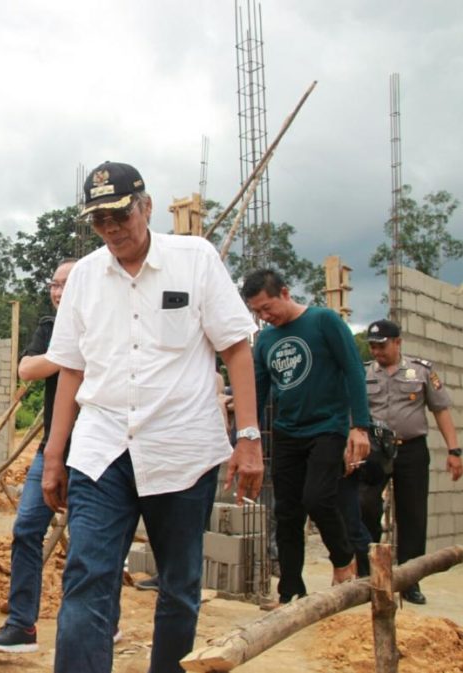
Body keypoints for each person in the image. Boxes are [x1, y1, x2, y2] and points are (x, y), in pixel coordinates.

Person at [41, 160, 263, 673]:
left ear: (146, 206)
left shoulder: (196, 259)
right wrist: (56, 454)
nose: (112, 228)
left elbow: (235, 347)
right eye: (99, 220)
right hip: (103, 451)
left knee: (179, 587)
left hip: (182, 451)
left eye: (121, 213)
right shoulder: (84, 279)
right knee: (88, 576)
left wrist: (248, 435)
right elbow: (70, 370)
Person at [241, 268, 371, 606]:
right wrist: (247, 434)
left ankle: (343, 559)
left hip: (327, 427)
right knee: (287, 513)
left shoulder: (324, 321)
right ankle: (290, 591)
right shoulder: (266, 341)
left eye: (268, 307)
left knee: (317, 497)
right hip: (287, 433)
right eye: (257, 312)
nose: (265, 316)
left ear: (285, 292)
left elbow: (354, 369)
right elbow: (257, 390)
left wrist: (360, 425)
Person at [0, 258, 76, 653]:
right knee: (26, 530)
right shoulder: (50, 328)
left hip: (96, 451)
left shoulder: (108, 324)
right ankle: (22, 626)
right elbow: (27, 369)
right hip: (50, 450)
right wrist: (68, 356)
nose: (57, 291)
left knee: (91, 544)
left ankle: (101, 623)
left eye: (66, 284)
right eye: (54, 284)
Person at [360, 318, 462, 604]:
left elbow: (440, 410)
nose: (377, 352)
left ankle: (409, 580)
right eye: (373, 347)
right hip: (376, 450)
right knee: (365, 503)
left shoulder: (421, 371)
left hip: (411, 450)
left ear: (397, 342)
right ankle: (370, 571)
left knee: (413, 515)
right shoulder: (364, 374)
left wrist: (454, 451)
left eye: (382, 346)